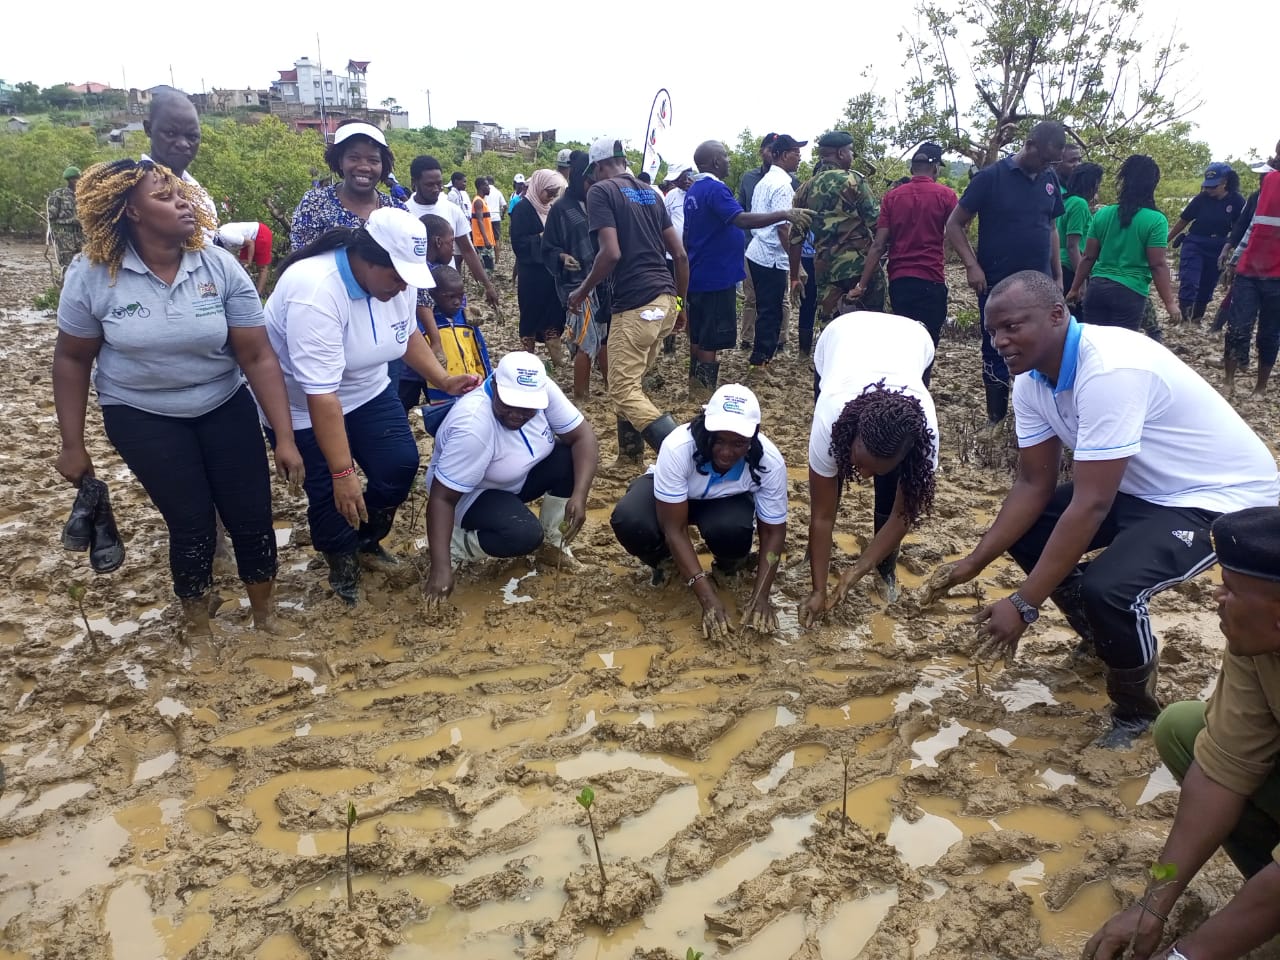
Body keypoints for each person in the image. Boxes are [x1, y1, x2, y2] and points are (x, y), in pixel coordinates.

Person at [922, 271, 1279, 749]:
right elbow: (1032, 484)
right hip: (1140, 487)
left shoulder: (1109, 369)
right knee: (1031, 532)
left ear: (1057, 315)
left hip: (1215, 497)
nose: (999, 341)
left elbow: (1091, 504)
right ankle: (1098, 640)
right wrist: (973, 562)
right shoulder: (1030, 381)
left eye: (1012, 326)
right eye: (992, 331)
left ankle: (1136, 712)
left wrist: (1024, 604)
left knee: (1109, 590)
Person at [52, 158, 304, 634]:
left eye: (181, 194)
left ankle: (265, 618)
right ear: (131, 211)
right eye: (165, 197)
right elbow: (72, 359)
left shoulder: (218, 265)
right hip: (141, 413)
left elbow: (257, 356)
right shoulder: (92, 274)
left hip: (222, 402)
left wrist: (285, 438)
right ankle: (198, 627)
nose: (183, 203)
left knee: (251, 515)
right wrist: (72, 444)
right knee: (191, 522)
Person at [1084, 506, 1280, 960]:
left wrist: (1185, 955)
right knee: (1183, 728)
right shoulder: (1255, 642)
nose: (1215, 596)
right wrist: (1152, 904)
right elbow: (1222, 772)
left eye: (1230, 589)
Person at [263, 208, 481, 604]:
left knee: (398, 465)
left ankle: (367, 542)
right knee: (331, 492)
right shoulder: (316, 291)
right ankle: (342, 567)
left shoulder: (398, 283)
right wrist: (343, 472)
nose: (402, 288)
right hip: (304, 406)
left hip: (368, 390)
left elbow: (406, 334)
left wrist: (443, 379)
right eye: (396, 277)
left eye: (407, 279)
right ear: (366, 258)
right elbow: (322, 396)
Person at [610, 384, 788, 638]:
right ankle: (667, 564)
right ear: (706, 427)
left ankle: (729, 567)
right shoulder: (678, 446)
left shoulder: (769, 462)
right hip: (670, 500)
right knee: (630, 519)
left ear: (753, 437)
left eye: (739, 443)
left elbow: (773, 533)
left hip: (723, 503)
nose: (726, 452)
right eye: (719, 440)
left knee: (732, 528)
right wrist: (707, 598)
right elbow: (674, 529)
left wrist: (761, 596)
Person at [423, 351, 600, 604]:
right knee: (523, 535)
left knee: (568, 457)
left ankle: (553, 545)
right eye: (509, 404)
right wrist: (440, 568)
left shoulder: (541, 390)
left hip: (517, 478)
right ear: (495, 385)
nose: (518, 413)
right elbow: (442, 498)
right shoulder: (473, 427)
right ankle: (455, 545)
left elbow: (584, 437)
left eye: (528, 408)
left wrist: (579, 496)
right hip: (471, 493)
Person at [801, 312, 939, 625]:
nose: (861, 476)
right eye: (859, 462)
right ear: (850, 435)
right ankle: (815, 555)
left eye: (873, 470)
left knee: (893, 485)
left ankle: (884, 570)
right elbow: (821, 516)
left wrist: (858, 569)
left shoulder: (924, 434)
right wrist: (818, 589)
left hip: (912, 339)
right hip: (841, 334)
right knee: (831, 470)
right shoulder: (830, 417)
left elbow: (903, 514)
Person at [568, 137, 689, 461]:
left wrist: (582, 291)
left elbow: (611, 253)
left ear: (598, 167)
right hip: (664, 301)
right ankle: (630, 456)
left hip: (635, 304)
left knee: (622, 389)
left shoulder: (601, 191)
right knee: (631, 383)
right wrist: (680, 305)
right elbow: (679, 255)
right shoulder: (652, 193)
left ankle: (684, 454)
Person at [946, 121, 1067, 423]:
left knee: (1044, 344)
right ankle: (996, 419)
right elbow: (954, 224)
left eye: (1052, 162)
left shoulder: (1049, 178)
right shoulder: (991, 178)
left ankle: (1042, 416)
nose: (1047, 166)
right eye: (1044, 159)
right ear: (1029, 145)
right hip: (997, 281)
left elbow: (1051, 227)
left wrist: (1058, 274)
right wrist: (971, 265)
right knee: (998, 347)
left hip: (1039, 282)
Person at [683, 140, 811, 399]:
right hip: (716, 275)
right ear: (715, 162)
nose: (729, 161)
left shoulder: (694, 189)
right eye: (725, 156)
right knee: (710, 337)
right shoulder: (716, 190)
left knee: (698, 333)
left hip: (700, 271)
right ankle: (703, 394)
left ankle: (694, 386)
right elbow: (741, 219)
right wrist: (784, 214)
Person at [853, 142, 955, 370]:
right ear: (935, 168)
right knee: (927, 345)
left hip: (900, 281)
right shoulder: (947, 196)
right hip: (932, 279)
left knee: (904, 343)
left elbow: (879, 245)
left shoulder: (892, 197)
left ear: (911, 168)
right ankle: (921, 384)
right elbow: (955, 234)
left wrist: (862, 284)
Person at [1066, 155, 1179, 330]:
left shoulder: (1103, 214)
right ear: (1153, 184)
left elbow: (1088, 257)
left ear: (1124, 180)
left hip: (1097, 289)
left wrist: (1075, 288)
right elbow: (1157, 265)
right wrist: (1170, 303)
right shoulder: (1156, 220)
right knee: (1121, 344)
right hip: (1130, 293)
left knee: (1093, 342)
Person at [792, 131, 886, 336]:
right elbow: (877, 224)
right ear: (841, 153)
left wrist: (793, 277)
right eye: (851, 151)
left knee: (831, 329)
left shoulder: (804, 189)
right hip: (860, 267)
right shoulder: (854, 180)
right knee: (872, 325)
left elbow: (796, 237)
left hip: (825, 270)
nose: (852, 156)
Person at [542, 150, 610, 401]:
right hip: (577, 283)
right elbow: (548, 247)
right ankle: (582, 395)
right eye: (589, 182)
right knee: (585, 339)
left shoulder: (600, 203)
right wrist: (562, 257)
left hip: (603, 281)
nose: (593, 186)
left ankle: (611, 386)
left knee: (604, 336)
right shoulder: (561, 209)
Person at [398, 265, 492, 435]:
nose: (457, 301)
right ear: (432, 295)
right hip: (440, 391)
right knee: (446, 428)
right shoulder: (424, 325)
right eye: (450, 297)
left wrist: (488, 379)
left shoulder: (467, 320)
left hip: (472, 385)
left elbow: (480, 351)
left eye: (460, 296)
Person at [289, 121, 404, 250]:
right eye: (354, 158)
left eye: (373, 160)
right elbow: (301, 257)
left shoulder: (398, 211)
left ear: (383, 165)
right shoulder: (314, 204)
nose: (364, 167)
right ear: (340, 161)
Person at [404, 156, 500, 308]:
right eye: (429, 185)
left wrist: (487, 285)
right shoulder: (404, 212)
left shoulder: (452, 210)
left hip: (449, 294)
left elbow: (467, 250)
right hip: (414, 294)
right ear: (414, 182)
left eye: (439, 183)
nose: (436, 189)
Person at [1223, 143, 1280, 395]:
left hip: (1276, 276)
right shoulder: (1269, 181)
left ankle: (1260, 387)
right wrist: (1235, 259)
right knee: (1238, 326)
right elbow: (1253, 227)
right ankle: (1229, 381)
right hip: (1250, 270)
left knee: (1269, 333)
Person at [746, 133, 805, 368]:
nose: (799, 158)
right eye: (796, 153)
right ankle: (760, 362)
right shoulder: (782, 186)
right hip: (771, 256)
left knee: (765, 309)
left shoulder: (764, 182)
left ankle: (760, 359)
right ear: (782, 155)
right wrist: (796, 266)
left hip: (757, 253)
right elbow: (783, 229)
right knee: (771, 313)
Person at [1167, 162, 1246, 323]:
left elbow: (1240, 228)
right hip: (1195, 242)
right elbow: (1183, 221)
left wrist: (1236, 251)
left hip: (1219, 246)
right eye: (1207, 186)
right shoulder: (1200, 199)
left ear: (1225, 182)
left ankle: (1197, 318)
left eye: (1213, 186)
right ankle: (1184, 319)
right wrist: (1165, 241)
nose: (1209, 190)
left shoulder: (1237, 201)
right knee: (1189, 280)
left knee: (1208, 284)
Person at [510, 168, 569, 365]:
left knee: (554, 314)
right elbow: (519, 243)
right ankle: (527, 357)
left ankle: (556, 357)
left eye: (554, 194)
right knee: (530, 313)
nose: (551, 197)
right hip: (532, 274)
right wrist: (542, 238)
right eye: (549, 192)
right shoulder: (522, 209)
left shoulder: (551, 209)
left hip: (551, 273)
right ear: (538, 187)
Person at [142, 88, 217, 232]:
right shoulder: (134, 190)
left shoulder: (200, 196)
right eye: (171, 133)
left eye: (192, 136)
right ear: (149, 129)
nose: (183, 144)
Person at [736, 133, 778, 349]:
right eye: (769, 149)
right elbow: (740, 210)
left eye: (776, 149)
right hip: (751, 245)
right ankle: (747, 338)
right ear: (762, 152)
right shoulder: (749, 178)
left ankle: (780, 340)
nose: (772, 153)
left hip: (777, 248)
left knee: (780, 298)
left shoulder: (787, 180)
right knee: (751, 296)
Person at [1057, 162, 1103, 305]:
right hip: (1071, 269)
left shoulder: (1064, 200)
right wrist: (1080, 282)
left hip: (1060, 264)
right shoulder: (1079, 204)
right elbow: (1072, 246)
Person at [660, 162, 693, 355]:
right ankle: (670, 341)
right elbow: (663, 223)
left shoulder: (699, 193)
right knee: (675, 298)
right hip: (673, 258)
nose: (679, 182)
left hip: (693, 258)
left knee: (689, 298)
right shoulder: (671, 196)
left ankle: (692, 339)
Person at [216, 221, 274, 297]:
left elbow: (250, 243)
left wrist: (249, 262)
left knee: (262, 268)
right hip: (246, 241)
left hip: (260, 233)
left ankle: (257, 295)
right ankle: (241, 293)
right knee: (241, 266)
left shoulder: (226, 236)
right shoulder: (218, 243)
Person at [47, 166, 84, 271]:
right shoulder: (59, 194)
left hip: (81, 234)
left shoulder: (83, 196)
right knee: (67, 264)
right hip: (65, 235)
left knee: (84, 263)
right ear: (70, 180)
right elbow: (51, 216)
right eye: (75, 179)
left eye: (79, 179)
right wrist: (54, 235)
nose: (78, 181)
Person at [469, 180, 497, 276]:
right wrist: (486, 240)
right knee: (487, 268)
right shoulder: (478, 202)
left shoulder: (482, 201)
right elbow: (480, 220)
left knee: (488, 267)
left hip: (485, 240)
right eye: (487, 185)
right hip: (482, 241)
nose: (489, 188)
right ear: (481, 186)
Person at [483, 177, 505, 261]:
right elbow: (504, 205)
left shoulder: (484, 192)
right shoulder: (498, 192)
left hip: (486, 217)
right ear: (493, 182)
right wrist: (502, 215)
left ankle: (488, 258)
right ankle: (497, 260)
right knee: (496, 239)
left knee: (486, 238)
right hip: (496, 217)